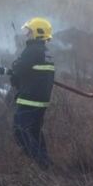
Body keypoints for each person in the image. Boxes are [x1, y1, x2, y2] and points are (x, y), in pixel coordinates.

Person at [8, 17, 55, 169]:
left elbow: (19, 69)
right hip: (40, 100)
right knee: (34, 132)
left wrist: (14, 72)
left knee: (21, 131)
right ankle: (45, 161)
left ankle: (41, 164)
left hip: (30, 99)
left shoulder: (33, 50)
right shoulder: (45, 51)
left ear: (38, 33)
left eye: (29, 31)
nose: (27, 34)